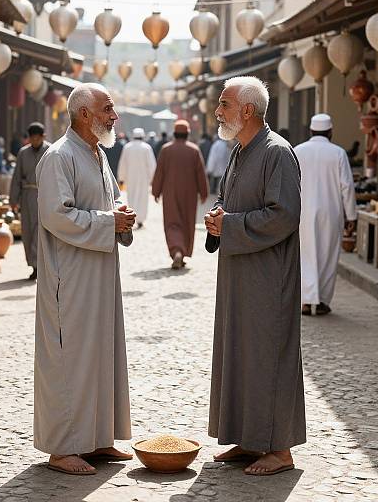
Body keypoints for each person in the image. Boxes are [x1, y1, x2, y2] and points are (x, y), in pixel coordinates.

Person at [204, 76, 305, 475]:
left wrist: (230, 225)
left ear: (247, 110)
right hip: (238, 272)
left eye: (224, 104)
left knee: (268, 355)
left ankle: (279, 449)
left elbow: (284, 215)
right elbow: (228, 198)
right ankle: (249, 440)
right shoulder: (239, 151)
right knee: (240, 353)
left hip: (268, 276)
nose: (218, 110)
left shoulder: (278, 153)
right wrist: (218, 216)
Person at [34, 82, 135, 475]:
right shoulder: (59, 157)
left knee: (100, 352)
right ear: (85, 114)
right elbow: (57, 215)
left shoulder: (96, 153)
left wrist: (119, 214)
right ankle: (62, 447)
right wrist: (111, 221)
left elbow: (101, 204)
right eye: (108, 109)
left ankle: (96, 439)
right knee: (68, 358)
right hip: (71, 276)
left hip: (100, 272)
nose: (114, 116)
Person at [294, 113, 357, 316]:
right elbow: (347, 187)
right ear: (330, 132)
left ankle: (305, 300)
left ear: (311, 131)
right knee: (327, 255)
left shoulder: (298, 151)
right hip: (331, 212)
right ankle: (320, 301)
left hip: (302, 212)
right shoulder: (338, 153)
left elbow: (289, 184)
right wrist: (352, 216)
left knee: (304, 254)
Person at [152, 120, 208, 269]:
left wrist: (156, 191)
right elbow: (201, 174)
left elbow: (160, 172)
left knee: (172, 223)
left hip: (170, 193)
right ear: (188, 134)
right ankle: (182, 252)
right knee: (187, 222)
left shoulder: (166, 149)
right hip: (190, 194)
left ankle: (177, 250)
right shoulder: (194, 150)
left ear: (174, 134)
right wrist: (204, 192)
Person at [10, 122, 50, 280]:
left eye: (37, 138)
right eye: (31, 138)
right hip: (27, 196)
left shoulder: (51, 151)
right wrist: (13, 199)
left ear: (43, 137)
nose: (34, 141)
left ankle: (44, 266)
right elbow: (16, 177)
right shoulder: (22, 153)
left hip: (46, 196)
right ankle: (33, 265)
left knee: (42, 232)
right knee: (27, 231)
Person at [117, 128, 157, 228]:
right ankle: (140, 219)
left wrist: (121, 178)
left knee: (132, 197)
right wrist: (153, 179)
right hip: (144, 178)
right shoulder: (146, 148)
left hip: (130, 178)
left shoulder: (127, 147)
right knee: (143, 198)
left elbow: (123, 164)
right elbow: (152, 165)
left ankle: (132, 217)